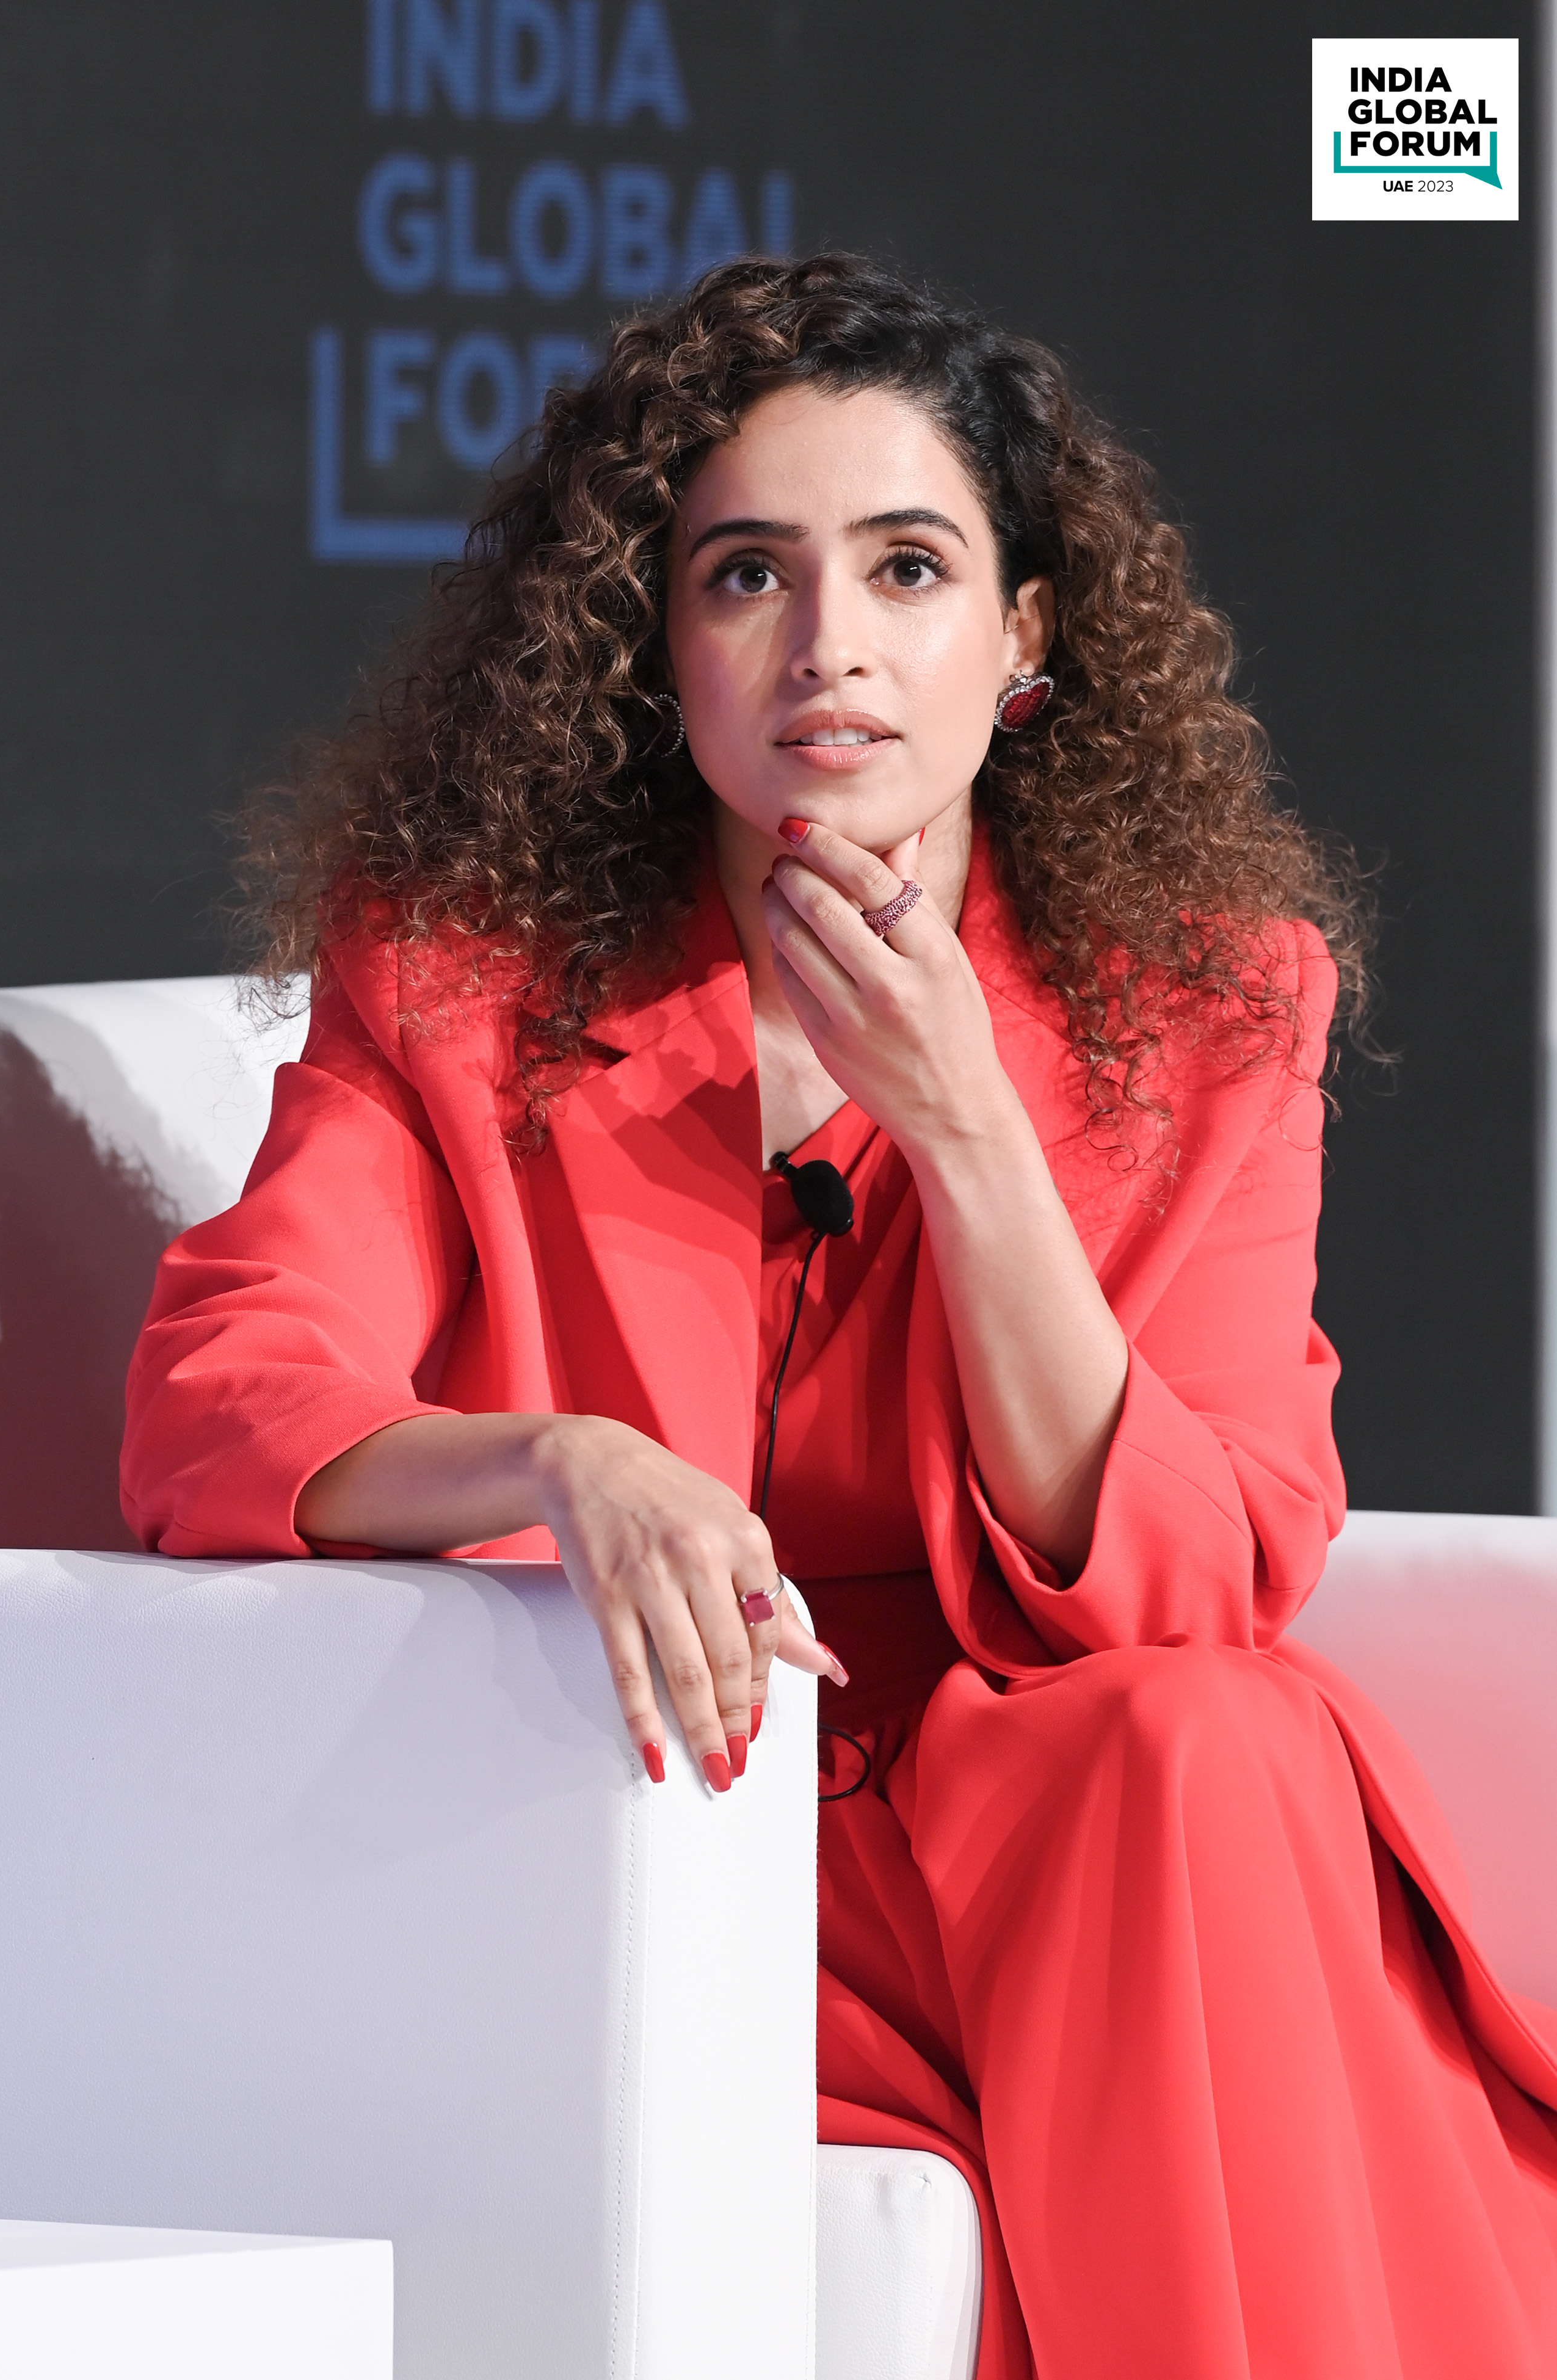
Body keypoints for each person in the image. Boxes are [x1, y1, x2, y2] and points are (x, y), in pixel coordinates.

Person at [122, 254, 1557, 2376]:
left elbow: (1197, 1579)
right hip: (669, 1830)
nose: (830, 650)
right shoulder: (458, 988)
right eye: (745, 576)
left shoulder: (1213, 1009)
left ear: (1024, 633)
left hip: (1082, 1857)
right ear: (653, 640)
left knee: (1200, 1737)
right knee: (1190, 1770)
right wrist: (563, 1464)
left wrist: (965, 1126)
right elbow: (223, 1394)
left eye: (905, 568)